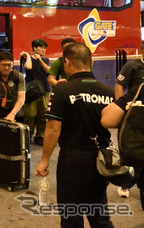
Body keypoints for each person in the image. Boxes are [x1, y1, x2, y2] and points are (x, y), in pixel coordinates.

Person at [36, 42, 115, 227]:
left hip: (73, 160)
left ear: (67, 62)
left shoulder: (62, 90)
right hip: (101, 159)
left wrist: (44, 160)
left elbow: (53, 129)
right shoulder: (108, 92)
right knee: (99, 215)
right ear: (92, 63)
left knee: (71, 216)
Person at [106, 40, 144, 199]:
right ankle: (126, 183)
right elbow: (119, 86)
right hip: (136, 117)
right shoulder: (132, 66)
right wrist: (121, 109)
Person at [20, 39, 51, 145]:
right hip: (31, 91)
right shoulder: (27, 59)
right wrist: (29, 56)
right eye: (41, 47)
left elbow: (49, 71)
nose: (44, 50)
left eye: (44, 48)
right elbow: (28, 67)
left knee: (42, 115)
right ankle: (28, 135)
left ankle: (40, 135)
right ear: (34, 48)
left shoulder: (45, 60)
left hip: (44, 90)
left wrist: (40, 60)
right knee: (30, 114)